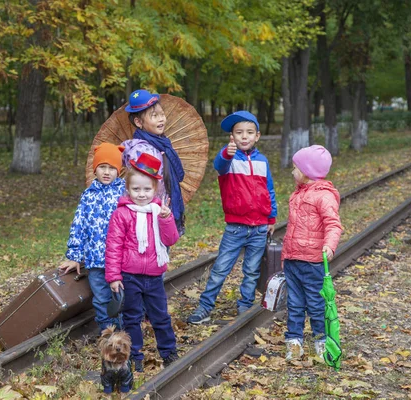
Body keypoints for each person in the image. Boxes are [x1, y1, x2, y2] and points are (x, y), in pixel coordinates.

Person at [187, 110, 277, 324]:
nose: (244, 136)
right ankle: (205, 306)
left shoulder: (262, 161)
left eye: (249, 132)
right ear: (232, 137)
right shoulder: (229, 160)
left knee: (252, 271)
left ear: (257, 136)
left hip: (258, 228)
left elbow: (269, 191)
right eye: (239, 133)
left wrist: (271, 218)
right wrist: (227, 153)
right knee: (220, 269)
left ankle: (245, 306)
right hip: (236, 228)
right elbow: (219, 165)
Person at [105, 153, 180, 372]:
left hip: (155, 275)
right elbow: (113, 246)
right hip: (130, 275)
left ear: (155, 189)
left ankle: (168, 352)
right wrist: (114, 277)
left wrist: (166, 220)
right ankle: (134, 354)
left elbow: (171, 239)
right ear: (127, 189)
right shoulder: (121, 214)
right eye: (136, 189)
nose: (141, 194)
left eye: (146, 189)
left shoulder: (159, 212)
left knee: (161, 316)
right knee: (132, 318)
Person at [282, 145, 342, 360]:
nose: (292, 171)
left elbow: (333, 224)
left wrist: (330, 244)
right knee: (294, 304)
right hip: (292, 259)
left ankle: (321, 341)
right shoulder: (297, 194)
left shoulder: (323, 196)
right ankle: (294, 341)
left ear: (307, 171)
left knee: (316, 304)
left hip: (313, 261)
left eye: (295, 168)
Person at [58, 142, 126, 333]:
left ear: (118, 171)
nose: (106, 172)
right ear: (95, 169)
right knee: (101, 299)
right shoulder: (88, 195)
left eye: (112, 168)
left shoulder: (124, 194)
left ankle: (125, 334)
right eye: (102, 167)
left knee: (121, 298)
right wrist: (75, 255)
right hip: (95, 260)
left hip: (120, 260)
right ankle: (108, 335)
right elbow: (78, 226)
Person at [125, 89, 186, 236]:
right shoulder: (142, 151)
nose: (161, 119)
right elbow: (145, 185)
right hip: (149, 213)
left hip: (163, 209)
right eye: (154, 116)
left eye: (162, 114)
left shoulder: (163, 145)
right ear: (139, 122)